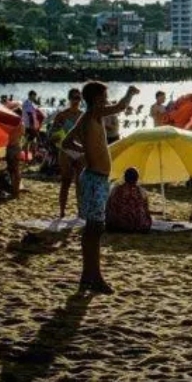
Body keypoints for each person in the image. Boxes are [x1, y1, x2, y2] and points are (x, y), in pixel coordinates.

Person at [61, 80, 140, 295]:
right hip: (95, 178)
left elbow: (66, 143)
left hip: (95, 177)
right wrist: (130, 93)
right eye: (104, 96)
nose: (106, 100)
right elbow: (120, 108)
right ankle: (93, 277)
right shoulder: (94, 114)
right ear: (97, 99)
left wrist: (85, 153)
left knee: (93, 229)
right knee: (94, 229)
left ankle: (89, 276)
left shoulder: (85, 117)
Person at [52, 88, 85, 218]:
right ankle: (62, 211)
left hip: (80, 150)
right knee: (65, 181)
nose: (76, 101)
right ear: (69, 99)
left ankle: (80, 211)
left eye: (78, 98)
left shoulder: (83, 115)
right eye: (74, 98)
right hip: (66, 150)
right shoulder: (62, 115)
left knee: (80, 183)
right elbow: (53, 133)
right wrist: (57, 137)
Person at [105, 167, 153, 233]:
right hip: (138, 226)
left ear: (125, 177)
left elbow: (108, 206)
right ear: (137, 178)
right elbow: (146, 210)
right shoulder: (141, 192)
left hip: (116, 225)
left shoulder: (116, 190)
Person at [21, 90, 43, 159]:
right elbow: (30, 115)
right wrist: (32, 126)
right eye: (34, 96)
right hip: (30, 125)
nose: (35, 97)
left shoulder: (26, 103)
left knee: (29, 140)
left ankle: (27, 157)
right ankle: (31, 157)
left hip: (26, 124)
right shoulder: (29, 104)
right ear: (31, 95)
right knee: (32, 141)